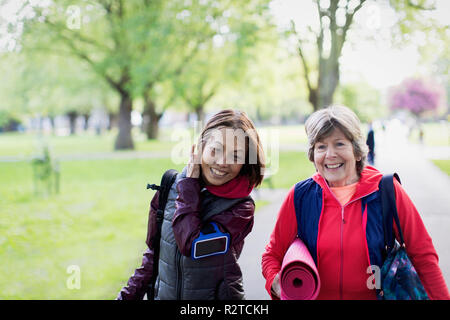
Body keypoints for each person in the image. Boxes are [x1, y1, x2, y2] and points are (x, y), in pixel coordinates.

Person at [262, 105, 450, 300]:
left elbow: (423, 256)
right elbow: (272, 255)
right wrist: (277, 284)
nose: (330, 154)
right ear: (313, 154)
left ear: (358, 151)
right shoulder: (300, 196)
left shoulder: (387, 191)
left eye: (339, 144)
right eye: (321, 146)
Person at [117, 109, 265, 300]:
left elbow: (193, 244)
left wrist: (189, 186)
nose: (222, 162)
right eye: (215, 150)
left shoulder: (241, 208)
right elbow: (153, 257)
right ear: (199, 148)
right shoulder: (170, 186)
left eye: (235, 157)